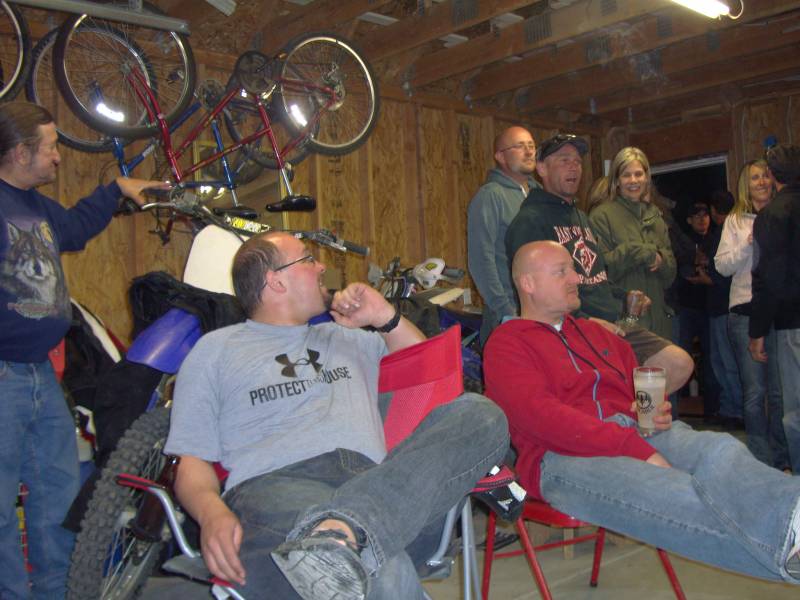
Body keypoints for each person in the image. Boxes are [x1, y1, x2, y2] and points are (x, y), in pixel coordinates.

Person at [164, 231, 510, 600]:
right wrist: (211, 512)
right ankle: (346, 537)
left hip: (382, 488)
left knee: (482, 413)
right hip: (276, 488)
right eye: (308, 259)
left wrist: (384, 316)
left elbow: (430, 374)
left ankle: (343, 531)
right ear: (275, 281)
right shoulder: (216, 350)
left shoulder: (348, 337)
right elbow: (191, 457)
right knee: (380, 570)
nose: (321, 267)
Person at [484, 240, 800, 585]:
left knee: (719, 449)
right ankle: (788, 546)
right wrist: (633, 446)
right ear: (528, 283)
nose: (576, 278)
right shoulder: (507, 343)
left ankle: (792, 518)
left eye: (573, 269)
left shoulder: (595, 333)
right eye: (562, 272)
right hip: (561, 456)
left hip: (634, 433)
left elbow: (634, 393)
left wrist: (649, 410)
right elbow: (543, 419)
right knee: (673, 493)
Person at [0, 101, 169, 598]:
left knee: (58, 501)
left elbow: (74, 229)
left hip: (38, 376)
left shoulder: (35, 206)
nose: (57, 157)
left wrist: (115, 190)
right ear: (21, 152)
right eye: (50, 148)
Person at [505, 133, 692, 394]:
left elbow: (596, 275)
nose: (573, 167)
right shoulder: (530, 220)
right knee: (662, 370)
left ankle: (626, 413)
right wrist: (584, 321)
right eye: (564, 160)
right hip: (576, 329)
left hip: (613, 322)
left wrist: (624, 295)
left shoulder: (581, 217)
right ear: (542, 168)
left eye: (577, 161)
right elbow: (535, 296)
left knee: (677, 364)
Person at [715, 159, 789, 470]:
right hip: (745, 312)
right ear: (746, 185)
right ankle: (760, 462)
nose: (761, 182)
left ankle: (783, 459)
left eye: (765, 176)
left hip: (780, 313)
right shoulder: (735, 220)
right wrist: (748, 243)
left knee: (780, 392)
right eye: (755, 177)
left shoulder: (783, 214)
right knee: (755, 392)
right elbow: (722, 266)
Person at [588, 146, 676, 341]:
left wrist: (661, 260)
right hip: (623, 321)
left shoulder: (656, 216)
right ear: (617, 180)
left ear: (646, 178)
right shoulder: (601, 216)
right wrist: (637, 252)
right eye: (626, 175)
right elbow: (599, 272)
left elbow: (671, 275)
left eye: (638, 174)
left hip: (659, 320)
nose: (633, 180)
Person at [750, 144, 800, 473]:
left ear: (771, 175)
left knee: (796, 412)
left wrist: (757, 332)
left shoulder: (773, 215)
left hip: (794, 322)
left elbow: (769, 279)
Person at [467, 125, 539, 345]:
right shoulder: (490, 196)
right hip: (509, 315)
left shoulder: (539, 195)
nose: (529, 151)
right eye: (519, 146)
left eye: (531, 145)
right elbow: (481, 260)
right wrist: (505, 311)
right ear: (500, 156)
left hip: (542, 311)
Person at [673, 201, 720, 419]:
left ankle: (713, 411)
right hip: (685, 308)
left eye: (705, 215)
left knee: (712, 360)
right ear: (689, 220)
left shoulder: (716, 240)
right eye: (697, 215)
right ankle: (677, 409)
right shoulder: (682, 242)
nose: (702, 219)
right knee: (680, 357)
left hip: (709, 309)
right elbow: (679, 268)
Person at [705, 190, 744, 429]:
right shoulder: (727, 231)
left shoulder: (726, 231)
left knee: (728, 363)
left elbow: (721, 275)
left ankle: (736, 411)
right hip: (721, 306)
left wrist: (705, 277)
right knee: (722, 361)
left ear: (713, 211)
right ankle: (731, 408)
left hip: (724, 306)